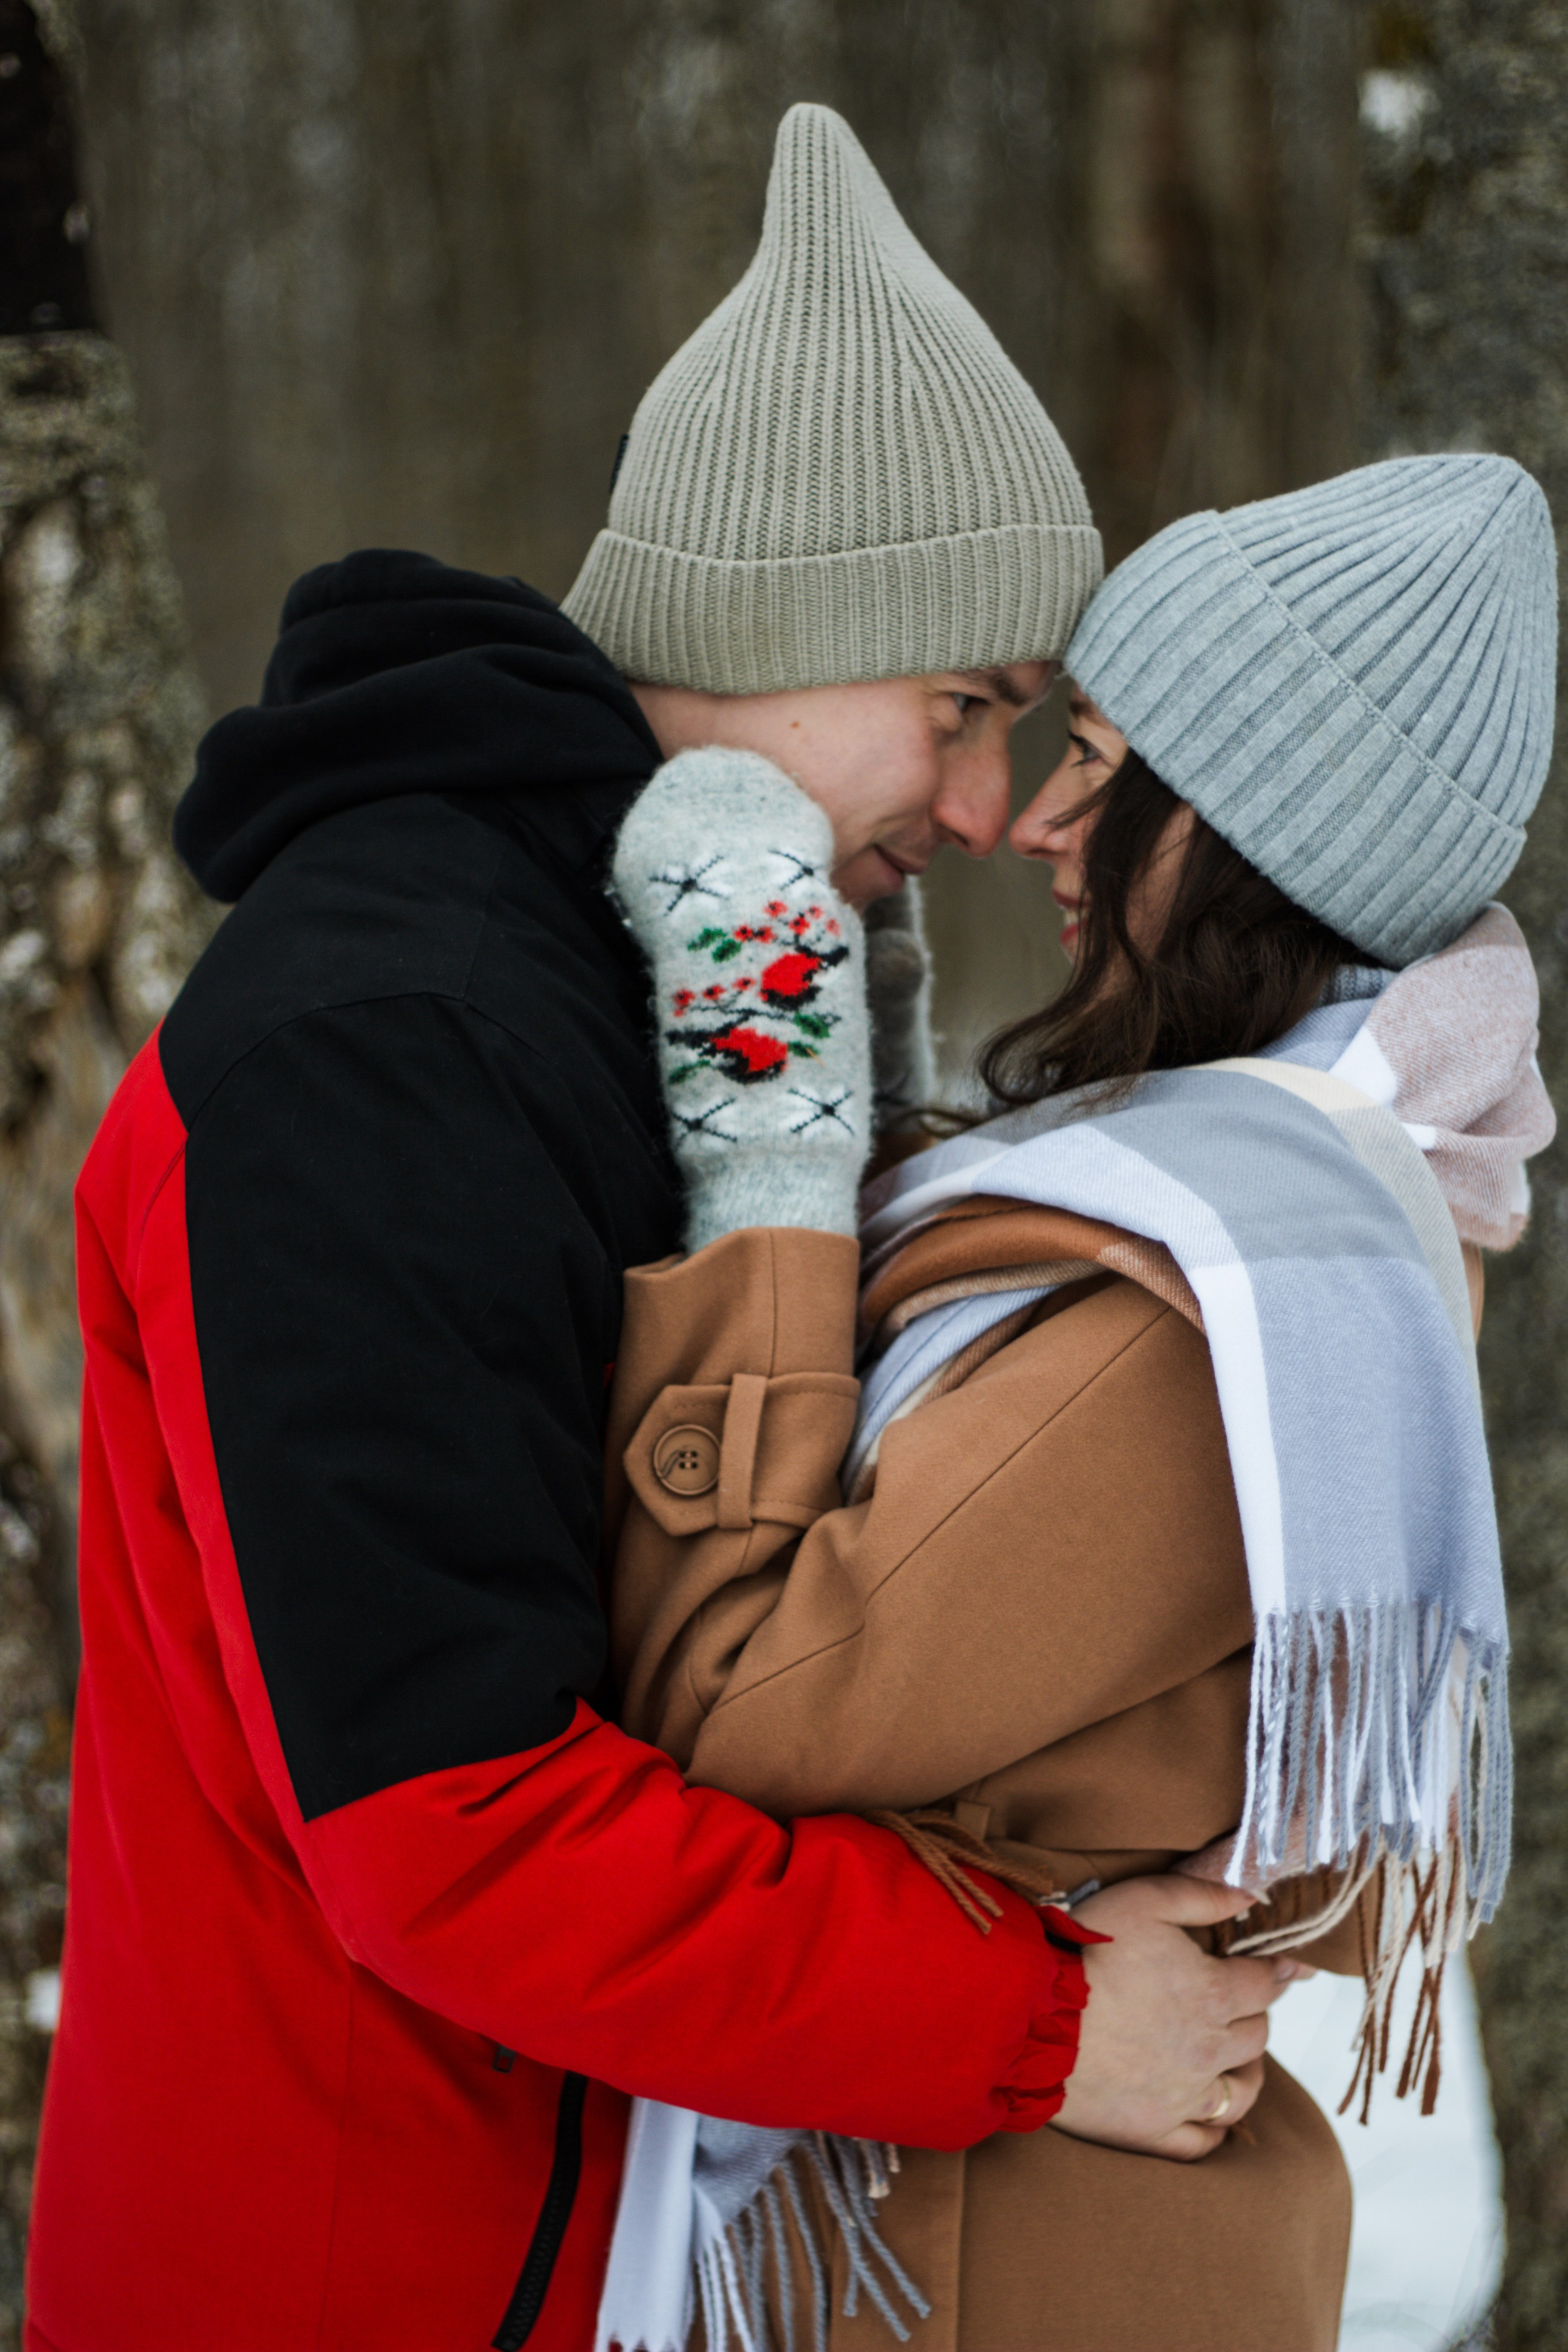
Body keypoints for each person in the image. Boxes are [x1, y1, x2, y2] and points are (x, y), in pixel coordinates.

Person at [24, 105, 1289, 2352]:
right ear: (790, 621)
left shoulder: (637, 982)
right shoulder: (387, 1041)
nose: (988, 809)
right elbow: (453, 1827)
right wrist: (1035, 2019)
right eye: (965, 708)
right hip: (362, 2274)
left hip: (572, 2235)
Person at [601, 448, 1556, 2351]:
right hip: (1004, 2216)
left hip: (994, 2255)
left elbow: (739, 1708)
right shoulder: (1252, 1206)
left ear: (1259, 830)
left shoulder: (1224, 1300)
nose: (1038, 821)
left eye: (1103, 765)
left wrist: (774, 1170)